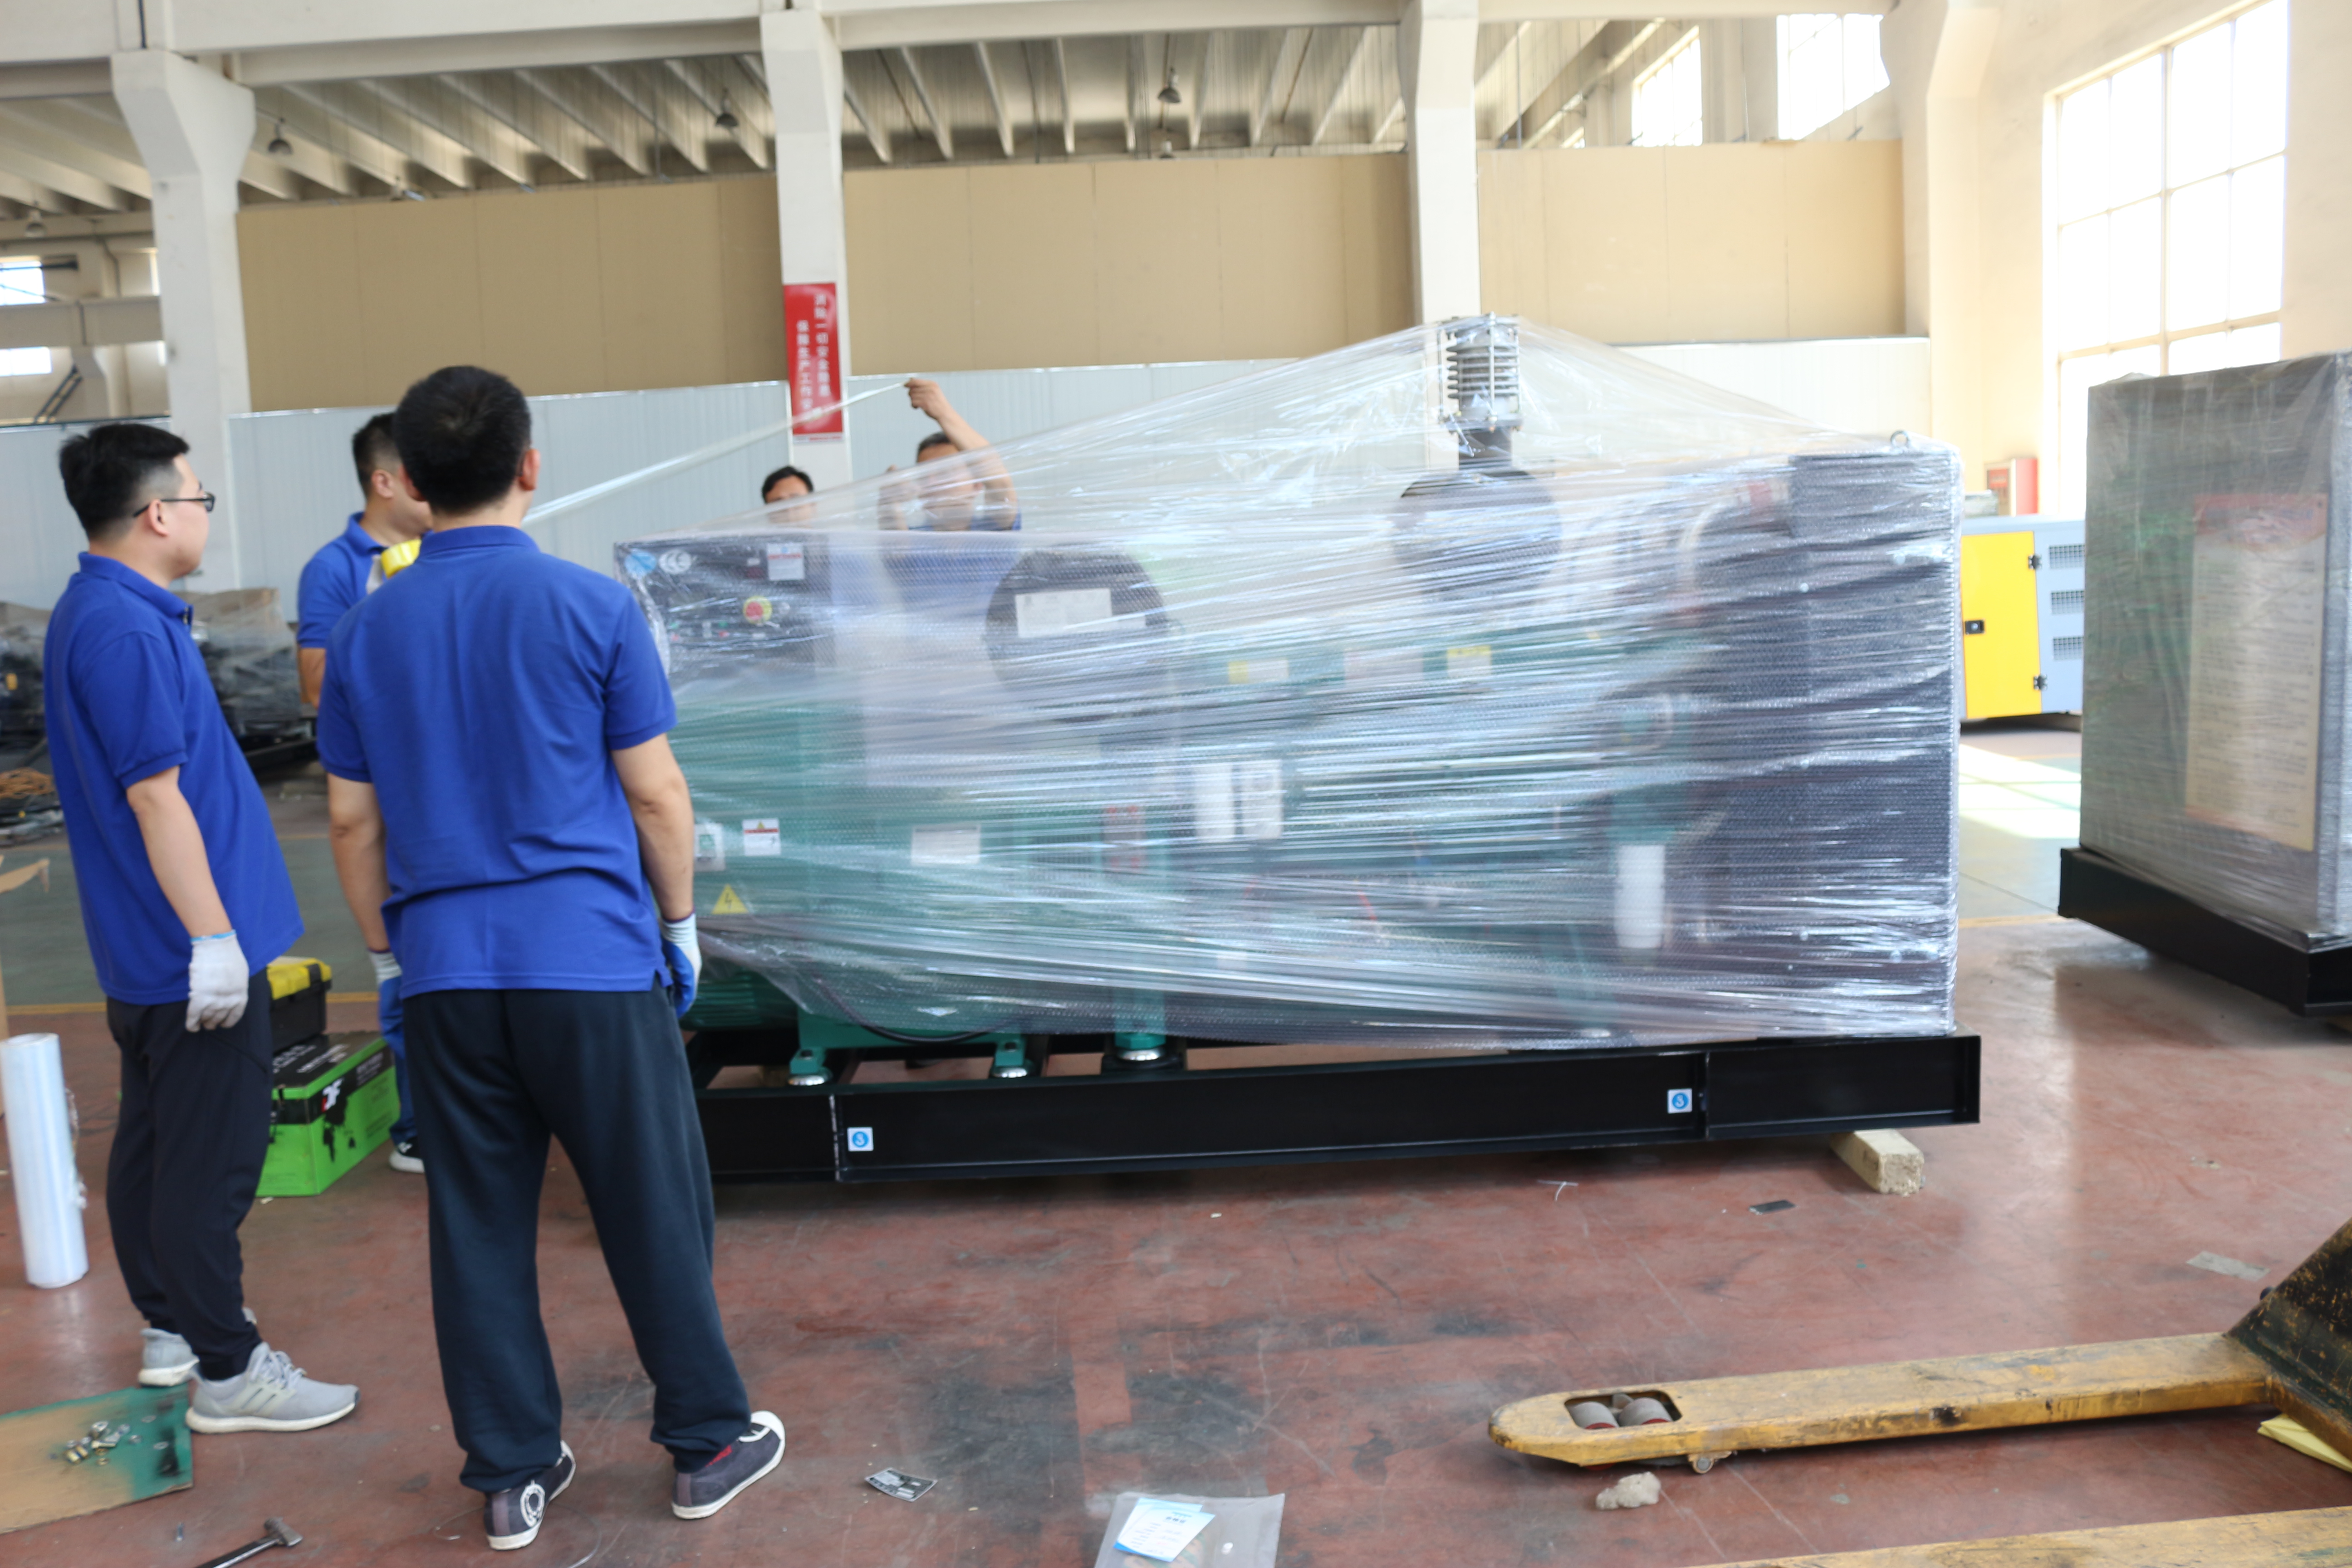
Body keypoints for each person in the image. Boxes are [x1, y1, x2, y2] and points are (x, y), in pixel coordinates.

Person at [320, 366, 782, 1551]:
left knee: (477, 1223)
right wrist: (679, 925)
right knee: (649, 1201)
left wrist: (387, 958)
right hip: (588, 963)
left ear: (409, 484)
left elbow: (353, 824)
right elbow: (657, 795)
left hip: (446, 973)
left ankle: (511, 1473)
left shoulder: (366, 629)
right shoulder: (593, 607)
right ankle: (706, 1443)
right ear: (530, 466)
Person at [47, 422, 358, 1434]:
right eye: (198, 496)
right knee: (210, 1167)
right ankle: (229, 1371)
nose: (203, 513)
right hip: (187, 955)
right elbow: (155, 796)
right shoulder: (126, 631)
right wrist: (214, 942)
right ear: (156, 514)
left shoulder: (105, 609)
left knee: (153, 1146)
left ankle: (172, 1326)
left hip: (151, 950)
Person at [296, 413, 432, 1175]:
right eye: (419, 473)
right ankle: (417, 1128)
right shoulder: (336, 568)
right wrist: (387, 604)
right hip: (383, 793)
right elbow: (318, 684)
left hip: (445, 785)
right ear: (384, 482)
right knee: (400, 960)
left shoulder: (444, 546)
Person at [877, 377, 1020, 531]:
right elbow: (895, 544)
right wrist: (890, 503)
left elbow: (1000, 484)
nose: (931, 483)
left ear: (977, 485)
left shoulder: (993, 532)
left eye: (944, 473)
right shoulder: (916, 539)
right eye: (924, 476)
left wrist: (944, 413)